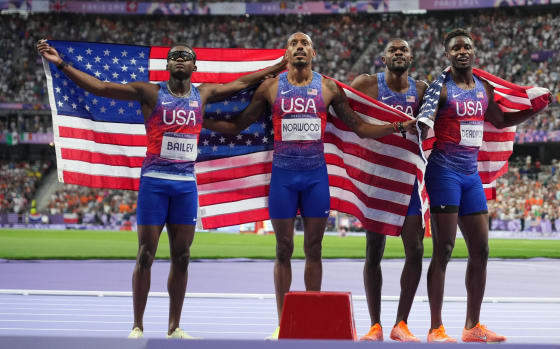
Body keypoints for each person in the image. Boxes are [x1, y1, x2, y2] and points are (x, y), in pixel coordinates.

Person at [37, 39, 287, 339]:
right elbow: (101, 88)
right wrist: (62, 64)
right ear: (167, 65)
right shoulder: (149, 92)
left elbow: (241, 82)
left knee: (182, 256)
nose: (180, 59)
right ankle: (137, 326)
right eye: (174, 56)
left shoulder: (203, 93)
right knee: (145, 254)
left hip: (185, 186)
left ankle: (174, 328)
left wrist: (277, 67)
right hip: (155, 182)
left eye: (186, 56)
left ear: (194, 67)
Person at [202, 32, 416, 340]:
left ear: (313, 53)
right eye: (294, 43)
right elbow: (237, 125)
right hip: (284, 179)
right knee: (283, 249)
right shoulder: (270, 87)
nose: (299, 47)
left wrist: (396, 125)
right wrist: (200, 119)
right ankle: (283, 323)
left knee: (314, 249)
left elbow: (358, 128)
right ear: (287, 53)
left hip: (316, 176)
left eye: (304, 44)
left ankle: (311, 321)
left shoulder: (328, 88)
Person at [417, 28, 549, 343]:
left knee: (482, 250)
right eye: (456, 48)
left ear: (474, 53)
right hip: (444, 171)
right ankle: (436, 328)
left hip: (470, 174)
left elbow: (500, 121)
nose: (462, 51)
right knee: (444, 250)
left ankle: (472, 326)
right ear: (447, 55)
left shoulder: (482, 89)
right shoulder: (440, 88)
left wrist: (533, 110)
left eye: (467, 47)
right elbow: (423, 123)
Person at [350, 39, 427, 342]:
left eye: (403, 50)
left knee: (416, 249)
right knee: (374, 253)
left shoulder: (422, 90)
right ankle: (375, 325)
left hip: (407, 178)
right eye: (393, 50)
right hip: (376, 177)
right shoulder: (367, 84)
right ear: (382, 57)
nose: (398, 53)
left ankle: (401, 323)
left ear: (411, 57)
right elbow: (342, 112)